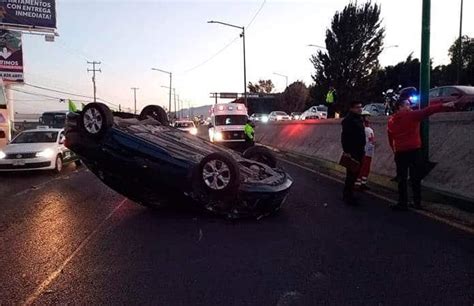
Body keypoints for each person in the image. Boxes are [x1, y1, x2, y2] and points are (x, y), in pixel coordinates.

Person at [387, 88, 456, 210]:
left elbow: (390, 136)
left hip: (400, 152)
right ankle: (417, 202)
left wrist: (394, 149)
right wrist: (445, 105)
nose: (410, 106)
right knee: (415, 178)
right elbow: (428, 110)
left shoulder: (391, 120)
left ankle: (402, 202)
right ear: (400, 107)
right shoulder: (411, 116)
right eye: (407, 105)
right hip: (414, 150)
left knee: (402, 178)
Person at [341, 101, 366, 205]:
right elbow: (345, 137)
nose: (360, 109)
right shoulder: (349, 121)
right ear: (351, 108)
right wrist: (347, 151)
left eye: (361, 107)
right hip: (353, 151)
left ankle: (349, 193)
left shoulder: (358, 119)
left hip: (359, 150)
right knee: (351, 174)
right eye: (357, 107)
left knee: (355, 173)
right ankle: (348, 195)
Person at [356, 111, 375, 191]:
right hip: (366, 151)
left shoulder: (366, 129)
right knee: (363, 168)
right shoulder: (365, 129)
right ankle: (359, 184)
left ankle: (362, 183)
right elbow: (370, 140)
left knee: (365, 168)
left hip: (368, 151)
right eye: (367, 117)